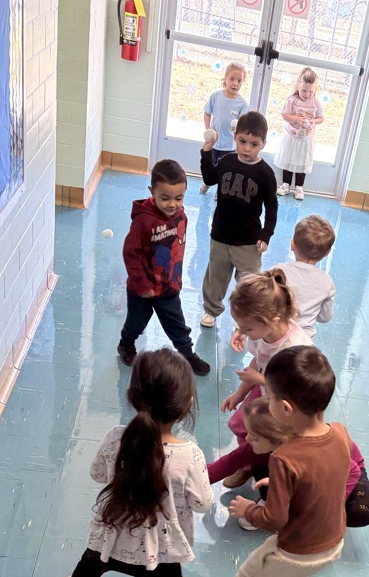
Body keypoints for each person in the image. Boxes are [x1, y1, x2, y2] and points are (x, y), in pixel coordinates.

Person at [53, 350, 213, 577]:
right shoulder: (190, 457)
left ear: (132, 396)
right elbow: (203, 504)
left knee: (89, 566)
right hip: (162, 553)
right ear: (185, 408)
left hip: (110, 538)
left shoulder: (117, 437)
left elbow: (98, 473)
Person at [229, 346, 352, 577]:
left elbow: (274, 519)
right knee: (295, 576)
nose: (266, 403)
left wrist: (247, 510)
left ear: (285, 409)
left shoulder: (284, 458)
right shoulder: (340, 433)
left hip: (295, 549)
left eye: (268, 398)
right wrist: (289, 487)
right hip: (331, 546)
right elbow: (326, 475)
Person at [207, 395, 369, 530]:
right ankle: (282, 502)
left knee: (361, 512)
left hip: (338, 474)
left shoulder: (313, 450)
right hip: (298, 474)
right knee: (265, 474)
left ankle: (301, 510)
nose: (247, 439)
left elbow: (353, 472)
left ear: (277, 440)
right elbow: (221, 467)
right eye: (248, 432)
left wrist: (331, 507)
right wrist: (185, 478)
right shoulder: (255, 448)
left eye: (255, 437)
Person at [220, 269, 313, 487]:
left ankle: (273, 474)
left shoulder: (295, 346)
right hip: (264, 392)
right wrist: (240, 393)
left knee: (275, 441)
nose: (242, 331)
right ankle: (248, 464)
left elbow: (293, 389)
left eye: (247, 327)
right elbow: (258, 361)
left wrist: (258, 379)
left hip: (286, 403)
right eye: (239, 325)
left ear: (274, 319)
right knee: (240, 424)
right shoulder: (261, 333)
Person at [117, 160, 210, 375]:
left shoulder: (181, 216)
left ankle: (187, 354)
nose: (172, 204)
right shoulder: (143, 222)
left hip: (168, 287)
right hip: (143, 290)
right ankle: (126, 343)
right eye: (165, 198)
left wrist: (175, 277)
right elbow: (131, 254)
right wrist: (142, 285)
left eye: (179, 198)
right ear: (152, 192)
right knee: (136, 323)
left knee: (177, 325)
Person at [199, 111, 278, 328]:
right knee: (215, 278)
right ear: (235, 136)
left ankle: (245, 317)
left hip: (248, 241)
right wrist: (207, 152)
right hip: (221, 236)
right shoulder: (227, 161)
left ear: (263, 144)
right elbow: (209, 178)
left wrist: (266, 234)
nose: (246, 148)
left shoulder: (265, 173)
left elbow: (271, 205)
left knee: (250, 284)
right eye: (242, 141)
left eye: (254, 144)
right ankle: (211, 311)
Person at [274, 67, 324, 201]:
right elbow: (284, 114)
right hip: (292, 136)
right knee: (288, 159)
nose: (307, 94)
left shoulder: (316, 102)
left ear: (315, 89)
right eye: (304, 91)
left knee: (302, 161)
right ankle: (286, 184)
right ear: (298, 87)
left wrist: (313, 122)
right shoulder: (292, 100)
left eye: (310, 91)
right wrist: (296, 119)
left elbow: (321, 118)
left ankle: (299, 186)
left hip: (306, 139)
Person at [199, 61, 249, 194]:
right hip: (215, 143)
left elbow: (243, 125)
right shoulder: (216, 96)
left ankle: (221, 189)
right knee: (211, 164)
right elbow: (207, 112)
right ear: (225, 79)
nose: (235, 84)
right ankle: (207, 182)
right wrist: (208, 129)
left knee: (226, 169)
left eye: (239, 81)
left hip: (230, 145)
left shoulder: (242, 103)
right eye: (232, 79)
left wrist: (237, 130)